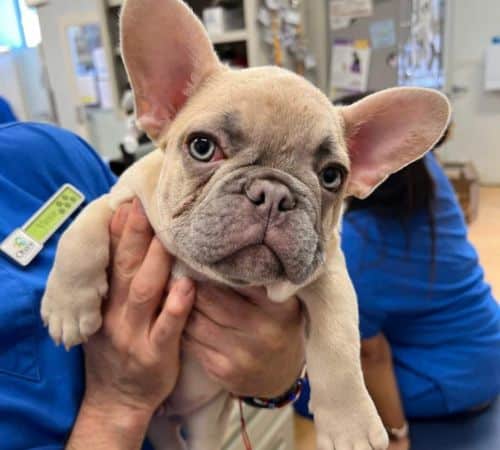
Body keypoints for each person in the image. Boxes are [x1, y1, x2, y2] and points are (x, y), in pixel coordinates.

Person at [0, 122, 305, 449]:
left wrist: (279, 378)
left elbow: (131, 212)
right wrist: (117, 404)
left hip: (203, 400)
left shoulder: (45, 151)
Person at [295, 93, 500, 450]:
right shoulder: (430, 180)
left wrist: (396, 434)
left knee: (298, 385)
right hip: (488, 340)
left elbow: (370, 354)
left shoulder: (359, 250)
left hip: (452, 383)